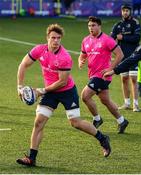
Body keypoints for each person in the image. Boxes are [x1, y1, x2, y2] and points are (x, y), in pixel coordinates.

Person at [16, 24, 111, 167]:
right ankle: (31, 158)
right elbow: (23, 64)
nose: (56, 41)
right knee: (39, 122)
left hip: (67, 91)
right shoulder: (39, 50)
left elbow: (62, 82)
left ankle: (102, 138)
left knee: (75, 123)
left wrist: (41, 91)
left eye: (58, 38)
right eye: (53, 38)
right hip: (50, 92)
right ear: (47, 38)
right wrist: (20, 86)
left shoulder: (64, 57)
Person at [78, 16, 129, 134]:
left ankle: (97, 119)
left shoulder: (107, 40)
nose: (91, 28)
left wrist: (111, 68)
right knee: (105, 100)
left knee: (85, 96)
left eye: (93, 25)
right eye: (89, 26)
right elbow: (82, 54)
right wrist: (80, 61)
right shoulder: (86, 40)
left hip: (102, 76)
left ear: (99, 26)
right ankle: (122, 121)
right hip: (92, 75)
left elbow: (120, 54)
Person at [110, 4, 141, 112]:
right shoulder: (117, 25)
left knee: (133, 79)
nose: (125, 12)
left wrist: (122, 37)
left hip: (133, 55)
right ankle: (127, 103)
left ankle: (136, 104)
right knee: (124, 79)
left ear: (130, 12)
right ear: (121, 12)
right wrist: (113, 50)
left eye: (127, 11)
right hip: (122, 57)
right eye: (123, 11)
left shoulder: (135, 23)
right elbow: (110, 40)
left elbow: (137, 38)